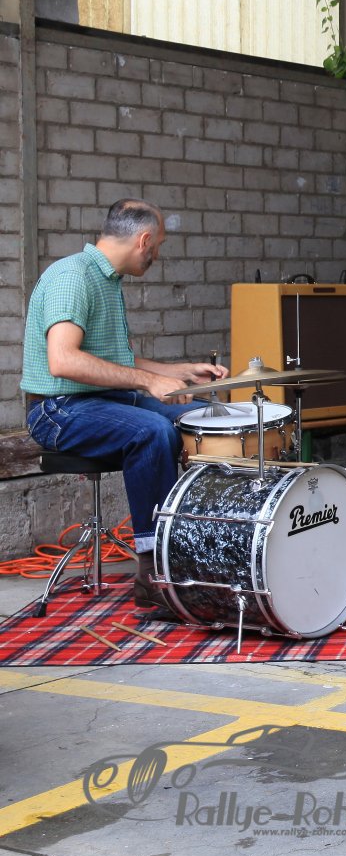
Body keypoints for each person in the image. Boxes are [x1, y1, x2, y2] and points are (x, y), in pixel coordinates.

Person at [20, 200, 228, 606]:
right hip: (57, 410)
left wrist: (180, 371)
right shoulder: (72, 277)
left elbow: (114, 362)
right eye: (158, 245)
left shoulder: (107, 281)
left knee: (200, 417)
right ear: (144, 240)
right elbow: (64, 361)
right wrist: (150, 382)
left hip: (101, 400)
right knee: (152, 431)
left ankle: (203, 545)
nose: (157, 255)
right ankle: (154, 571)